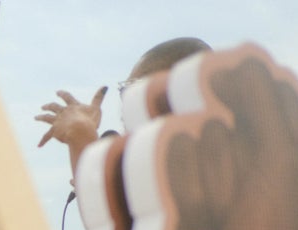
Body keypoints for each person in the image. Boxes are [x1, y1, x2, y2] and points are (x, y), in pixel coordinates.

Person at [35, 37, 212, 177]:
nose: (128, 101)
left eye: (137, 89)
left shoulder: (208, 161)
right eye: (125, 91)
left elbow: (110, 215)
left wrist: (80, 137)